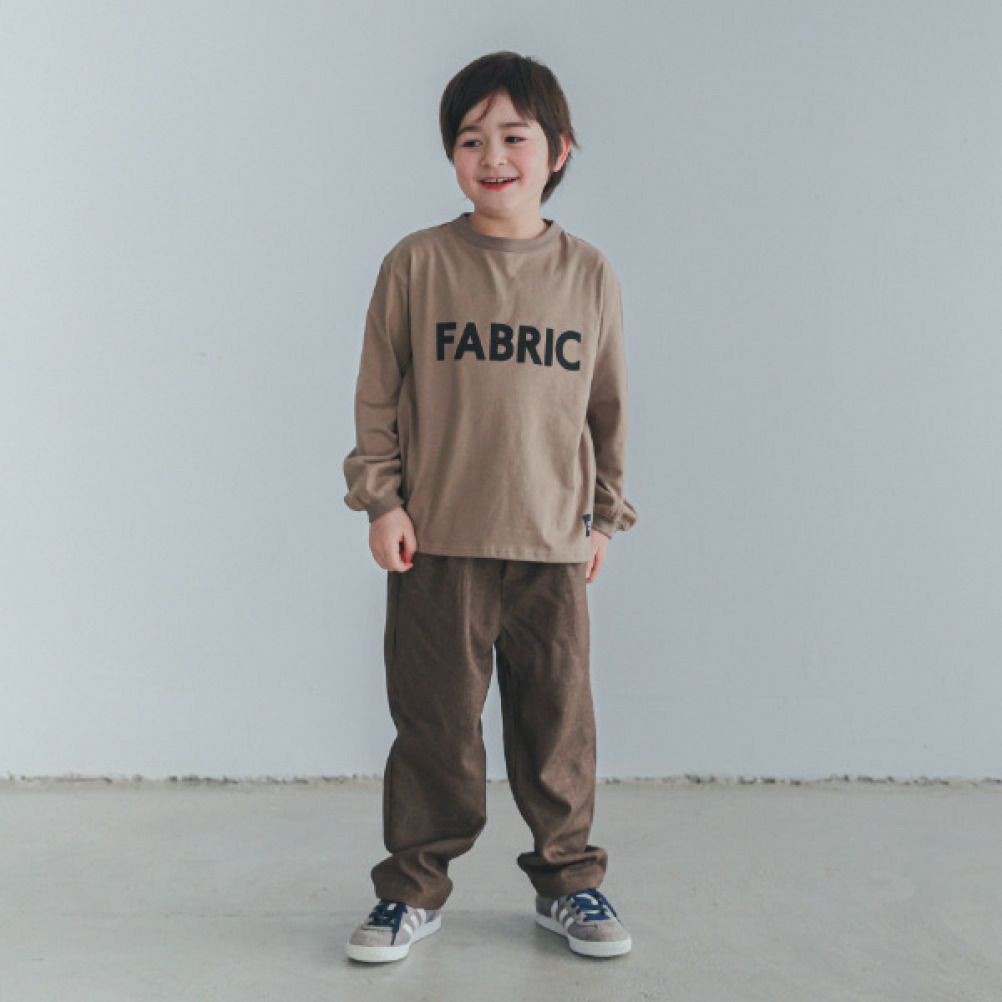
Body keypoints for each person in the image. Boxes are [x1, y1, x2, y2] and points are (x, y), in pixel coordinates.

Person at [341, 51, 638, 964]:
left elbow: (607, 405)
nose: (493, 156)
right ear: (452, 155)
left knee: (557, 728)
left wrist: (603, 515)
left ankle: (569, 882)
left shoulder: (588, 273)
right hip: (438, 542)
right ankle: (411, 890)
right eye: (471, 140)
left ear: (559, 149)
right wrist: (381, 500)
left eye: (514, 136)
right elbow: (377, 394)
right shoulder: (418, 263)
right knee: (435, 728)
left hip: (551, 543)